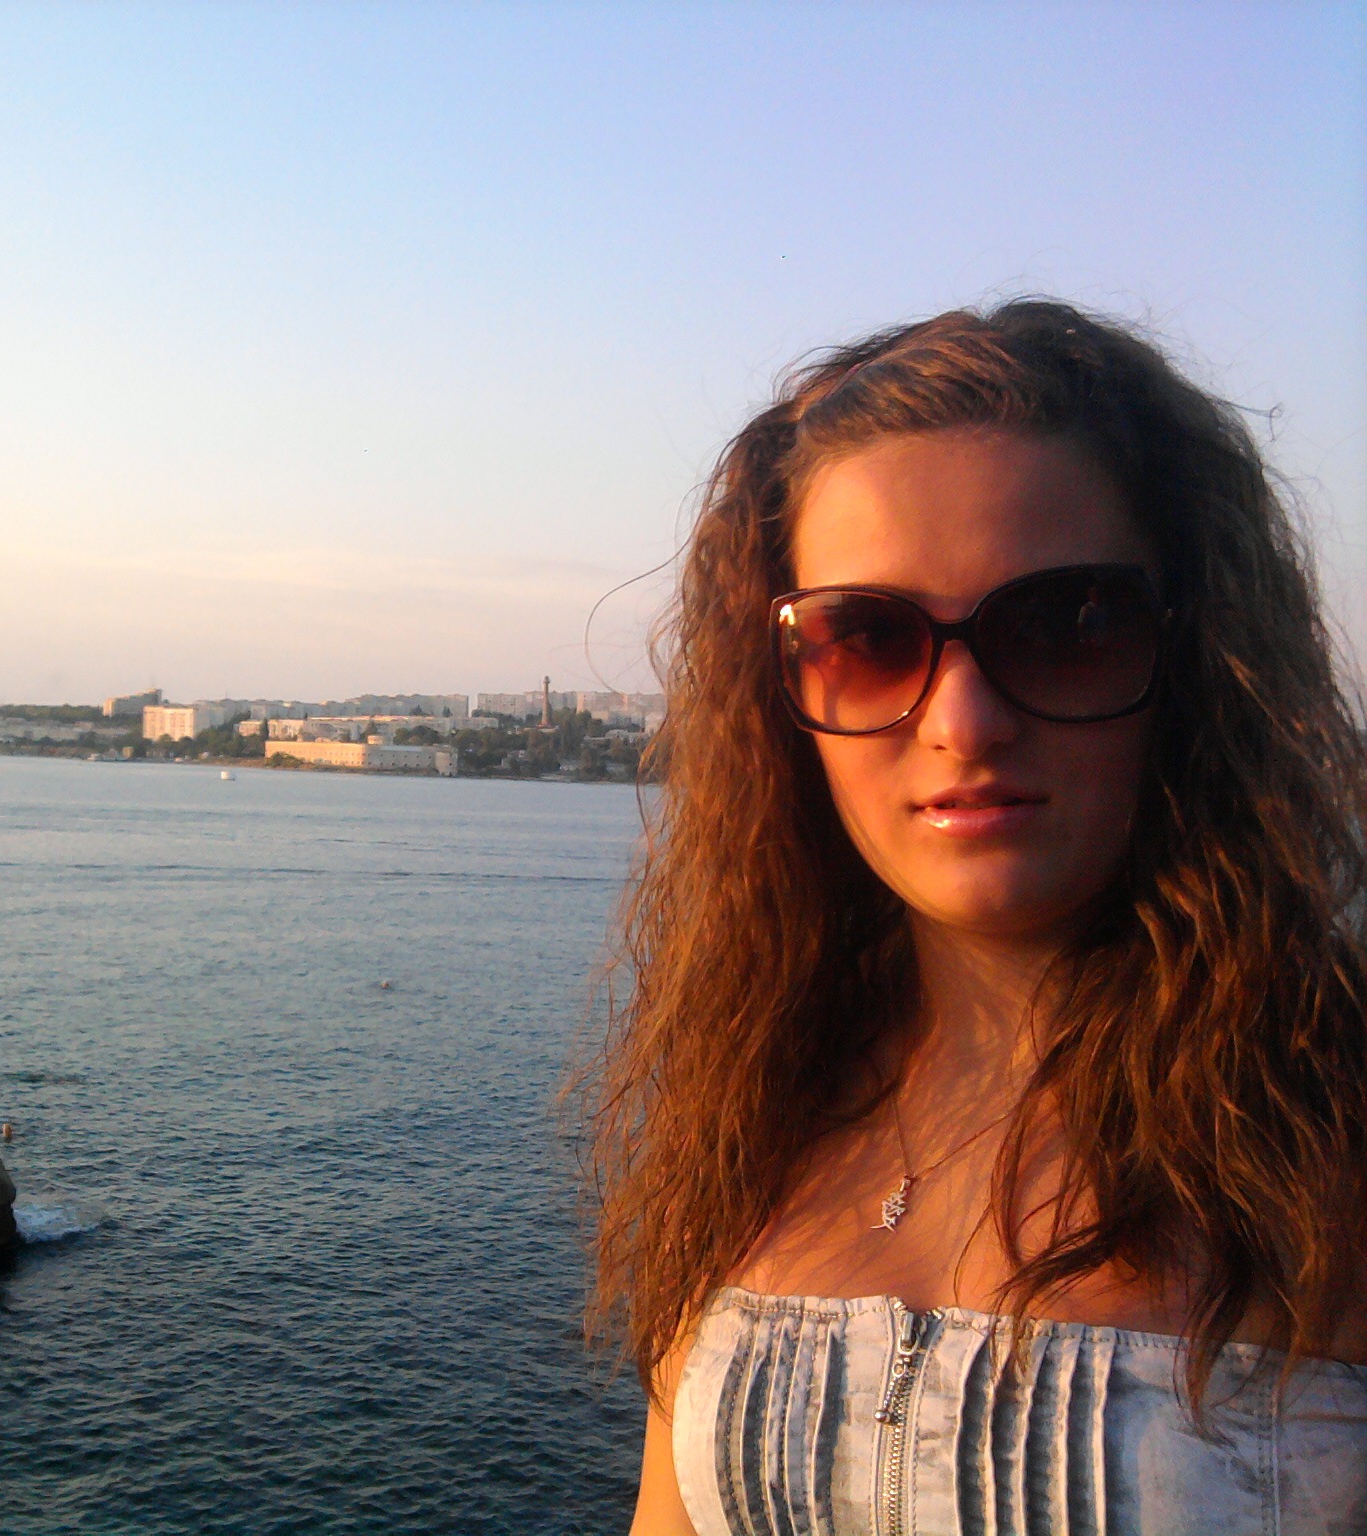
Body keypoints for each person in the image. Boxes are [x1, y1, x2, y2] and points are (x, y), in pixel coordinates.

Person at [584, 301, 1367, 1534]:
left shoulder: (1328, 1141)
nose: (961, 721)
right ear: (778, 692)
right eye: (864, 638)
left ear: (1192, 655)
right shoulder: (757, 1108)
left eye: (1064, 626)